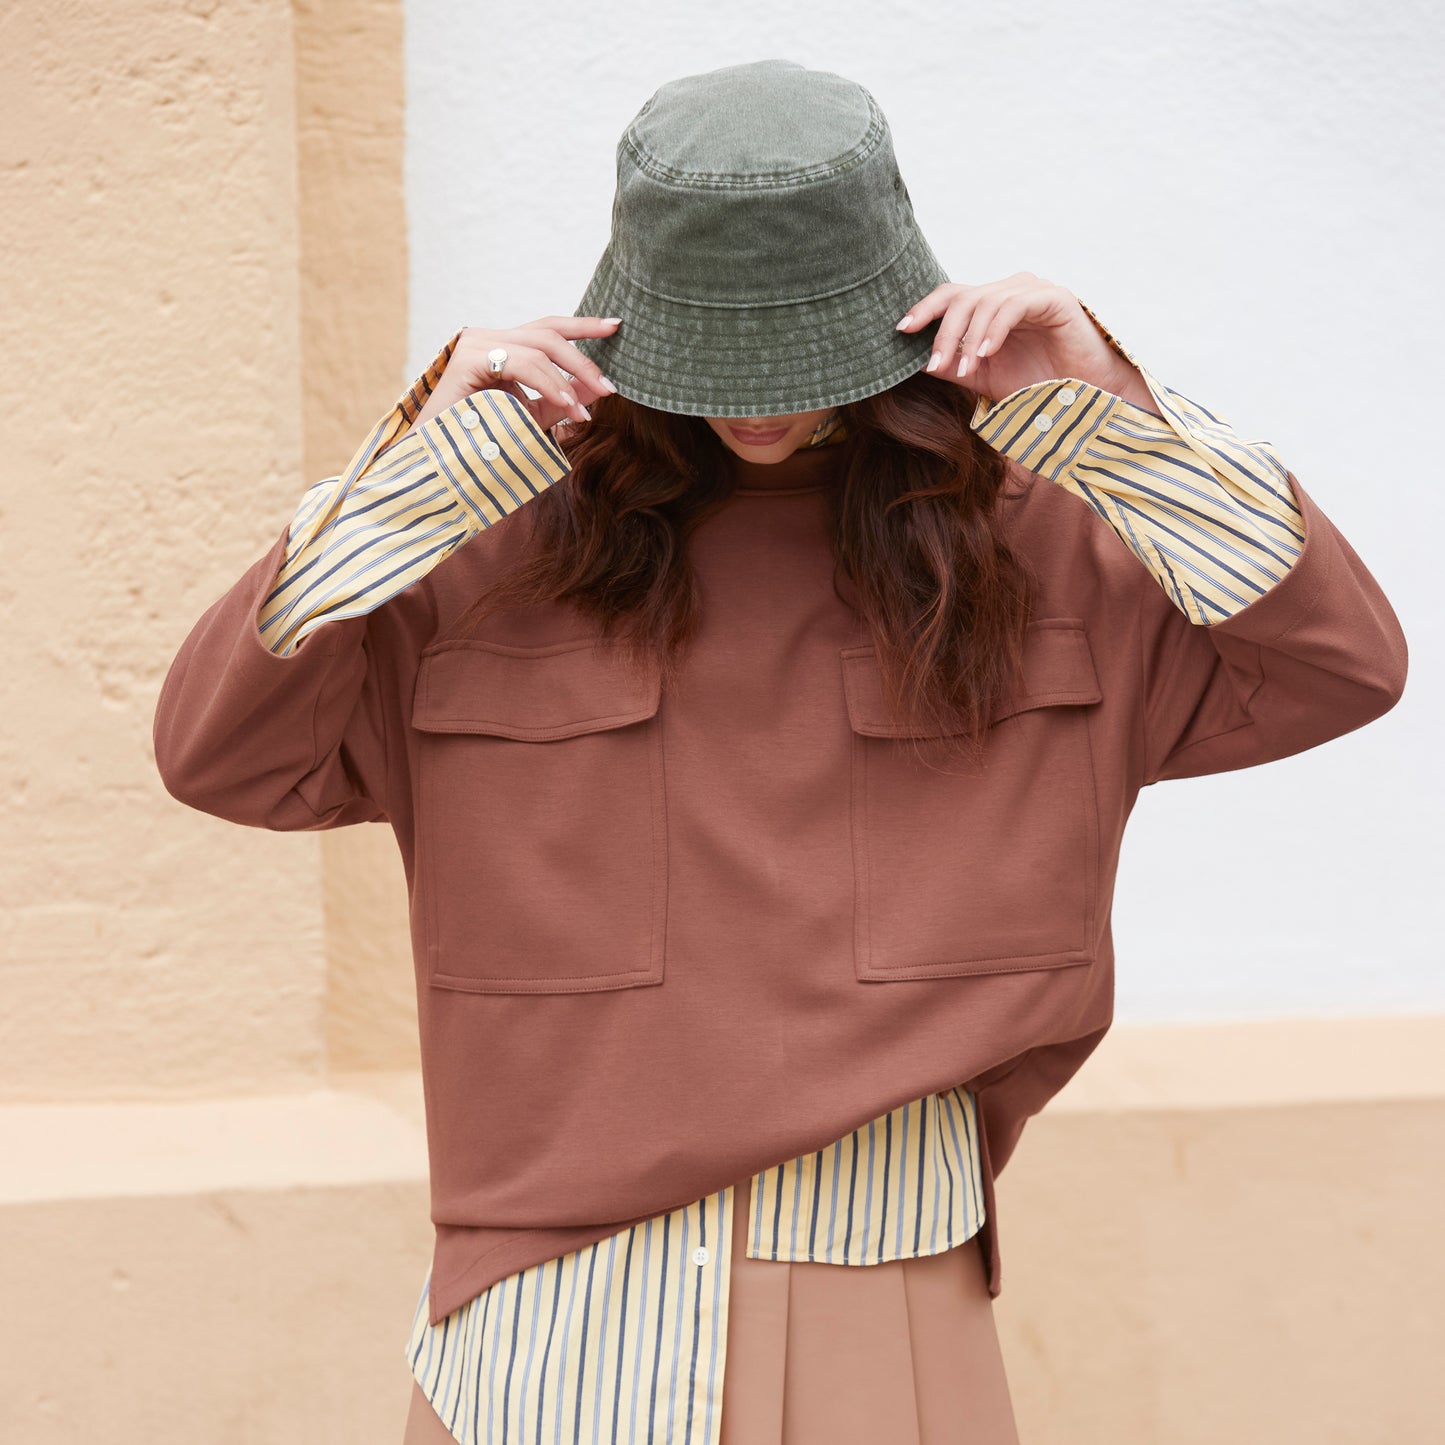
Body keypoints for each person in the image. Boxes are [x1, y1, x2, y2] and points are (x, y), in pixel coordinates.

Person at [152, 59, 1407, 1445]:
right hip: (547, 1307)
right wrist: (416, 471)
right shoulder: (492, 548)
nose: (755, 411)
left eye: (795, 361)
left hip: (877, 1273)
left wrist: (1110, 408)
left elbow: (1333, 665)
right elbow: (225, 754)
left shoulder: (1028, 543)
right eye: (715, 359)